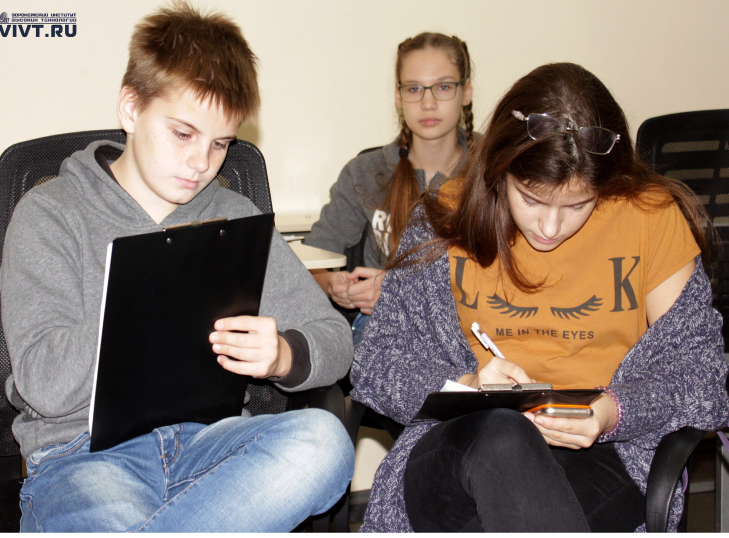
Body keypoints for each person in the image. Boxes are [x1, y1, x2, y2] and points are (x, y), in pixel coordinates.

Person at [2, 3, 354, 532]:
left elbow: (335, 339)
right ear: (131, 109)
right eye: (183, 134)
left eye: (220, 143)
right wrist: (140, 303)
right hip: (83, 455)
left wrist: (283, 354)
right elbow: (43, 385)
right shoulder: (50, 213)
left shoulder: (235, 216)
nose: (201, 162)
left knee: (324, 442)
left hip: (210, 445)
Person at [351, 62, 729, 533]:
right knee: (502, 431)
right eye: (530, 199)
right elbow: (377, 363)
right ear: (499, 171)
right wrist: (468, 387)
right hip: (458, 448)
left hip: (602, 455)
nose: (550, 227)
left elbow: (700, 373)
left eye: (578, 205)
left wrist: (612, 412)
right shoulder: (445, 217)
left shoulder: (649, 218)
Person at [305, 32, 474, 345]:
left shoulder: (492, 174)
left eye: (443, 87)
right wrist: (332, 284)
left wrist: (398, 291)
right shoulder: (365, 172)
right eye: (414, 89)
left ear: (466, 92)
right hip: (383, 336)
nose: (428, 103)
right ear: (399, 97)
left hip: (465, 329)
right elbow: (311, 260)